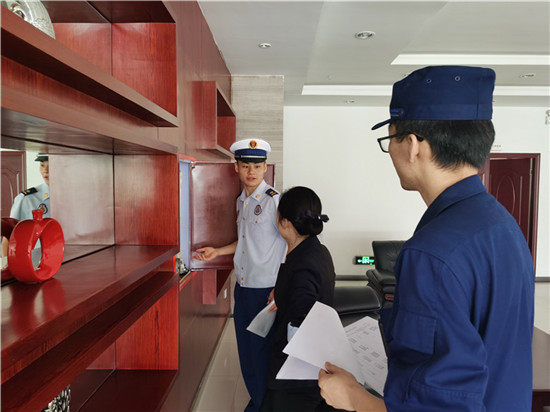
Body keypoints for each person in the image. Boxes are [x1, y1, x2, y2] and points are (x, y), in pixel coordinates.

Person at [318, 66, 534, 412]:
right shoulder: (502, 225)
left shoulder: (430, 253)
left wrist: (354, 399)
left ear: (413, 145)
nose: (391, 152)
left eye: (391, 139)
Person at [194, 138, 287, 412]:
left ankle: (263, 405)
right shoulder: (242, 201)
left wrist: (282, 286)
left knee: (261, 353)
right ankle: (257, 401)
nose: (251, 171)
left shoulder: (274, 201)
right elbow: (246, 241)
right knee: (246, 352)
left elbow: (290, 243)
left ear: (265, 167)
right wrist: (218, 251)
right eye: (245, 165)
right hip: (243, 287)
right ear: (236, 167)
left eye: (257, 166)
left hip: (266, 290)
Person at [260, 186, 335, 412]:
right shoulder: (317, 251)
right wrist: (282, 293)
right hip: (307, 370)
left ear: (284, 222)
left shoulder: (303, 265)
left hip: (297, 377)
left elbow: (303, 317)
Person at [10, 153, 50, 221]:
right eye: (42, 165)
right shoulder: (26, 199)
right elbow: (14, 226)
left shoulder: (69, 196)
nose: (45, 171)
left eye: (51, 166)